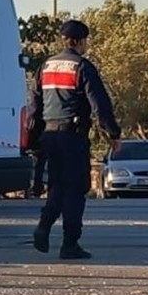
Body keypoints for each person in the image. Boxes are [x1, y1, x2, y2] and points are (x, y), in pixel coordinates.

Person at [27, 20, 121, 259]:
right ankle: (69, 244)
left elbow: (34, 107)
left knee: (57, 186)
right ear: (80, 41)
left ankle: (44, 226)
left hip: (49, 136)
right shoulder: (82, 67)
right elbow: (99, 104)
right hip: (72, 137)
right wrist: (113, 134)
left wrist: (33, 139)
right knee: (76, 189)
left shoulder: (45, 67)